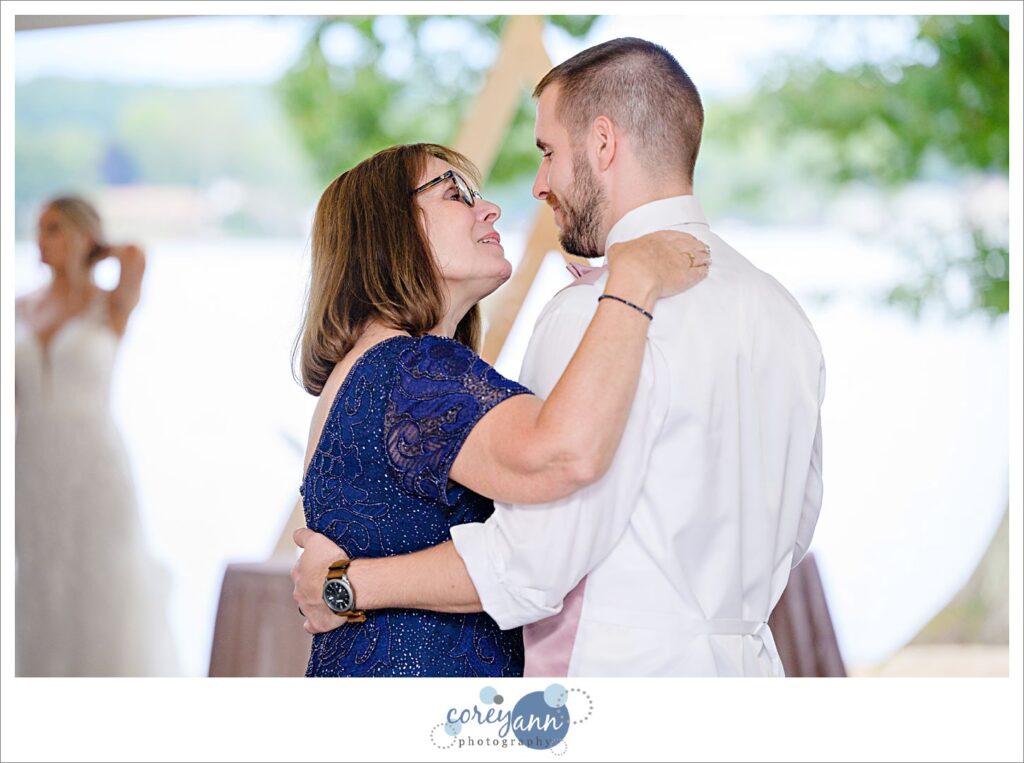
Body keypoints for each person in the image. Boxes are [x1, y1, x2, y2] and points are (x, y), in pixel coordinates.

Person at [293, 38, 826, 677]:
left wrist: (344, 585)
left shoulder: (600, 313)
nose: (536, 186)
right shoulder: (780, 311)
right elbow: (795, 528)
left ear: (602, 144)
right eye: (458, 193)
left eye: (547, 152)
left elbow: (534, 559)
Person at [294, 143, 709, 677]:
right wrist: (632, 284)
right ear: (388, 230)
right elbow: (561, 455)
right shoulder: (413, 370)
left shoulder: (374, 369)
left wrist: (344, 586)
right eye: (455, 194)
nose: (489, 209)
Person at [15, 195, 178, 676]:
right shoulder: (20, 307)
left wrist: (95, 252)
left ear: (83, 236)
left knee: (103, 575)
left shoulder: (110, 304)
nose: (41, 240)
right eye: (39, 229)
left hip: (94, 462)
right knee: (41, 578)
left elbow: (136, 255)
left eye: (54, 228)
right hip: (33, 462)